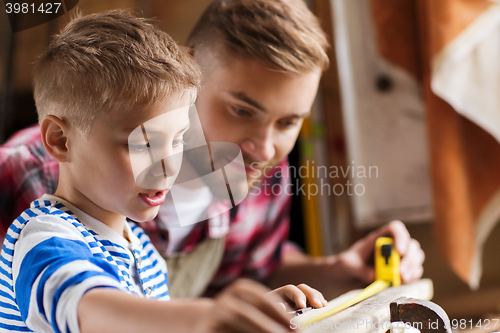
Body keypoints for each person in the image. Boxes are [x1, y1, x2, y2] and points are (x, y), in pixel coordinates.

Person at [0, 0, 424, 304]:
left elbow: (248, 272)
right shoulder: (29, 179)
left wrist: (338, 268)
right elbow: (86, 303)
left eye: (287, 122)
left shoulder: (259, 175)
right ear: (190, 71)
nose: (264, 147)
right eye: (241, 110)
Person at [0, 10, 328, 333]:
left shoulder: (140, 249)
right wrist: (200, 317)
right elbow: (87, 306)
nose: (170, 165)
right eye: (143, 145)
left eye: (178, 140)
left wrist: (248, 315)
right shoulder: (46, 240)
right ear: (60, 141)